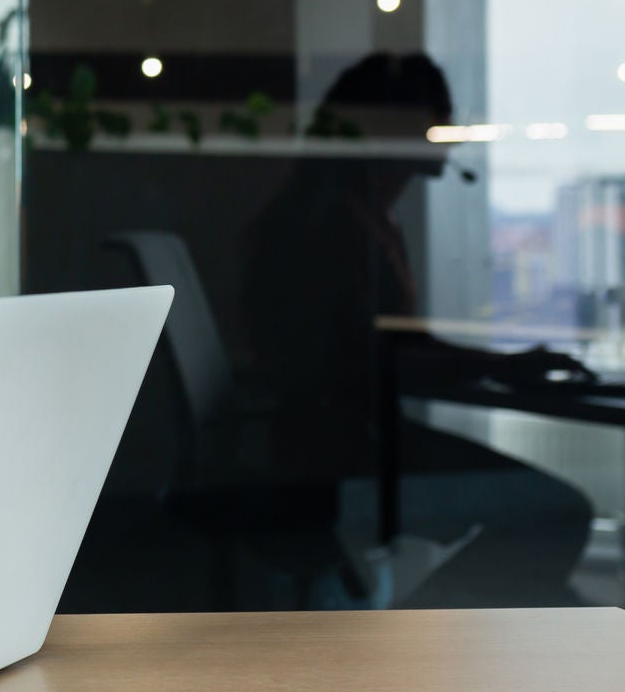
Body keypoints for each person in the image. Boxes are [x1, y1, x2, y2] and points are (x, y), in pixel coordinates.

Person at [240, 53, 595, 606]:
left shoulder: (362, 217)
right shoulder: (337, 228)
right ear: (398, 129)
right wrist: (498, 366)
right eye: (440, 122)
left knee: (554, 549)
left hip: (354, 445)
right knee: (557, 516)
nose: (449, 138)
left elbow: (392, 347)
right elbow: (368, 360)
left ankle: (415, 640)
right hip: (343, 458)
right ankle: (415, 641)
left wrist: (499, 364)